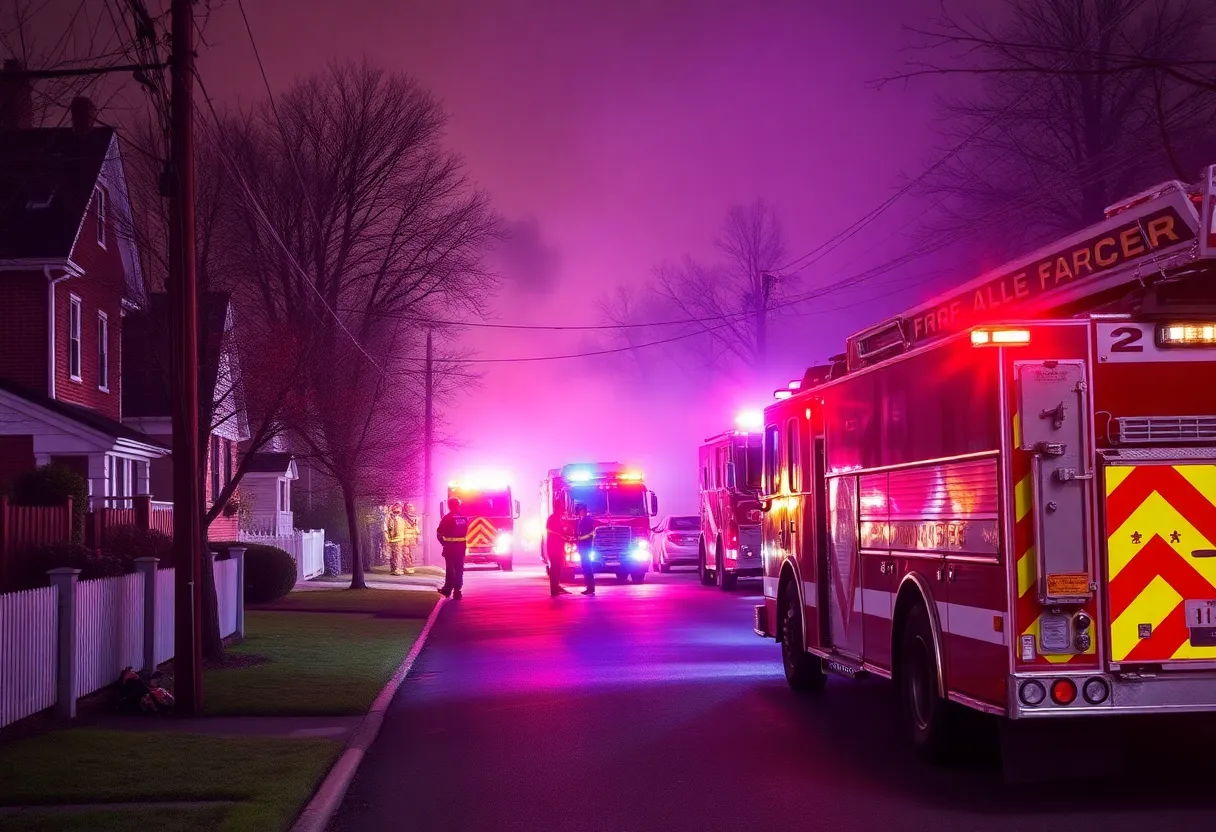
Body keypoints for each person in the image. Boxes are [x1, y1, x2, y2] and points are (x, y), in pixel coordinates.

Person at [436, 497, 469, 599]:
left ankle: (447, 589)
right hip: (461, 548)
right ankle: (457, 590)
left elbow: (439, 532)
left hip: (450, 548)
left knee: (450, 569)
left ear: (449, 505)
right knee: (459, 569)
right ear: (458, 505)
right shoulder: (464, 518)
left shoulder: (447, 518)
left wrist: (444, 543)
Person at [545, 508, 571, 597]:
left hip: (554, 547)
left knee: (556, 567)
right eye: (563, 511)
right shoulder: (554, 519)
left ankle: (556, 587)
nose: (563, 513)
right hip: (554, 548)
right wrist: (563, 536)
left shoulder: (553, 518)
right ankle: (554, 589)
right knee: (555, 568)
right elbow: (554, 531)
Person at [574, 503, 597, 596]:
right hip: (582, 546)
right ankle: (589, 587)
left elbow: (591, 533)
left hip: (586, 546)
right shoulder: (580, 520)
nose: (579, 512)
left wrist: (580, 538)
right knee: (585, 567)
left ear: (583, 511)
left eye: (580, 510)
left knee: (587, 567)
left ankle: (590, 587)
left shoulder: (588, 520)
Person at [386, 503, 407, 576]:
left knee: (397, 554)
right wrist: (387, 539)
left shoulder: (400, 519)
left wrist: (403, 538)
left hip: (400, 539)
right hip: (394, 539)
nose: (398, 510)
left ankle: (395, 568)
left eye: (399, 508)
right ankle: (395, 568)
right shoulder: (390, 519)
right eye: (396, 508)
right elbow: (387, 529)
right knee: (395, 555)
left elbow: (403, 529)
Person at [401, 502, 420, 574]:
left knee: (411, 553)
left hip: (412, 538)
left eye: (411, 506)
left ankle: (410, 566)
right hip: (404, 537)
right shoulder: (402, 517)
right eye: (409, 506)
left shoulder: (415, 517)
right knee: (406, 553)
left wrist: (417, 537)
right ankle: (408, 566)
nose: (411, 508)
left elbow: (416, 528)